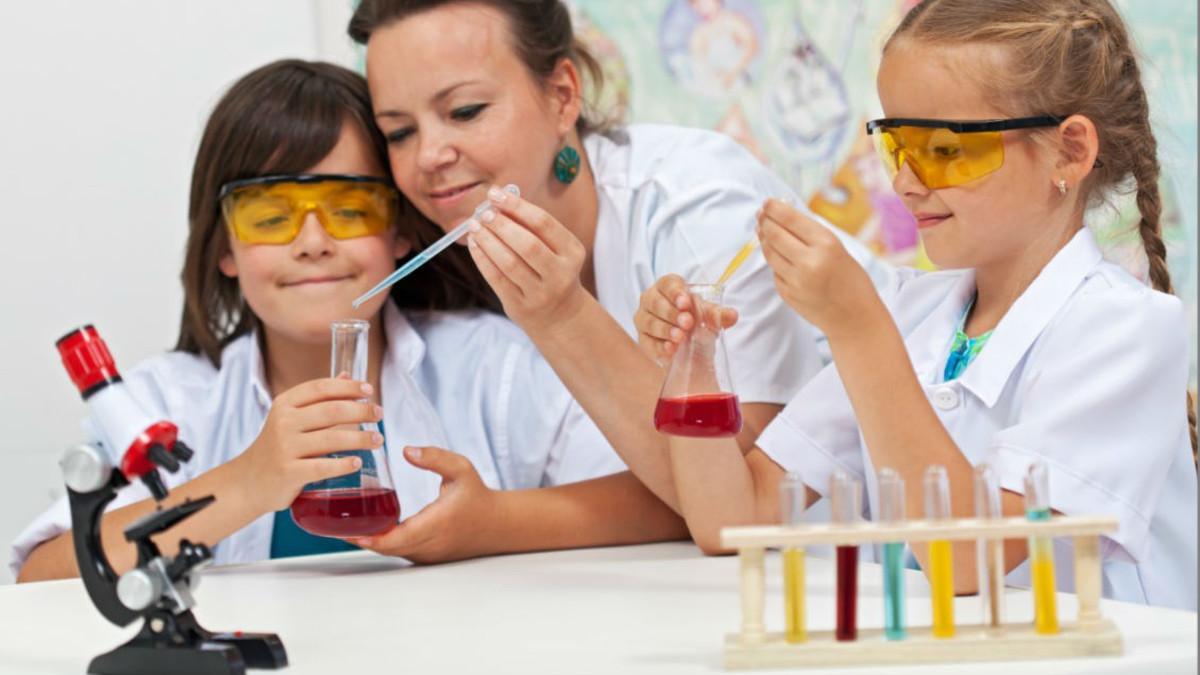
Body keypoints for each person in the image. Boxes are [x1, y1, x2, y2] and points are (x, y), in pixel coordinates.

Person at [13, 59, 685, 582]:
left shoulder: (496, 367)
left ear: (399, 231)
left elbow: (665, 502)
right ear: (224, 248)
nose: (312, 241)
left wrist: (495, 523)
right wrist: (246, 482)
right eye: (270, 214)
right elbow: (39, 571)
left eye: (349, 207)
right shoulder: (169, 400)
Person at [636, 0, 1198, 609]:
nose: (906, 181)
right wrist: (693, 364)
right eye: (899, 144)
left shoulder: (1128, 329)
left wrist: (858, 329)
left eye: (947, 150)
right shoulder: (911, 312)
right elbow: (733, 518)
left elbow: (968, 559)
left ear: (1069, 152)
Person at [348, 0, 890, 518]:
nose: (428, 157)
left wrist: (494, 521)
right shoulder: (454, 253)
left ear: (562, 96)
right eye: (399, 132)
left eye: (465, 111)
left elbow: (733, 496)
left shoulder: (695, 203)